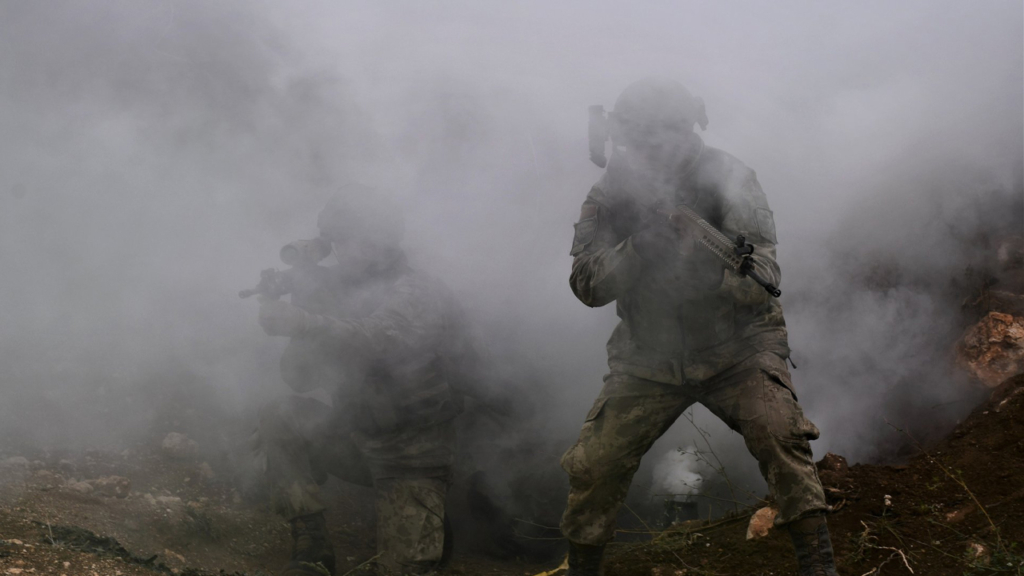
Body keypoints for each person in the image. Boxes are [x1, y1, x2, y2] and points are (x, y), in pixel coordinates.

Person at [559, 78, 838, 576]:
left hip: (738, 349)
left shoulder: (729, 178)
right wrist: (639, 249)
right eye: (640, 139)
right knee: (595, 466)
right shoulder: (609, 193)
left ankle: (819, 566)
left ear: (686, 131)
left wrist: (708, 270)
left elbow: (765, 278)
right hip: (648, 357)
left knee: (782, 438)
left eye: (663, 137)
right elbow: (586, 285)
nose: (653, 151)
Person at [252, 187, 477, 576]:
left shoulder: (419, 291)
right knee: (281, 416)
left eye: (350, 240)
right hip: (356, 436)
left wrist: (307, 321)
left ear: (382, 241)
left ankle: (430, 521)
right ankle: (312, 550)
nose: (341, 251)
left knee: (404, 568)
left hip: (411, 456)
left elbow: (377, 339)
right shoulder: (336, 290)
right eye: (336, 241)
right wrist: (303, 316)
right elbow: (298, 379)